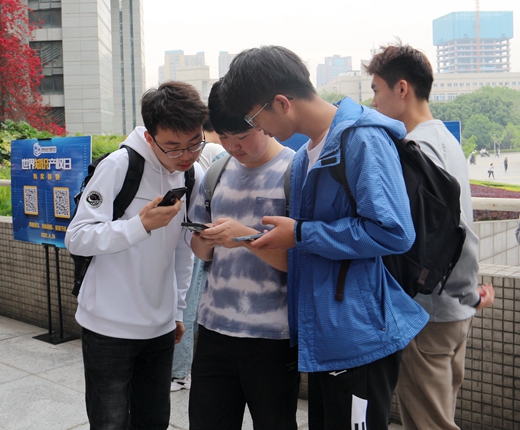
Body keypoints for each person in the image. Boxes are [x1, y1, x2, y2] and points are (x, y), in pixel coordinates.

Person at [219, 45, 430, 430]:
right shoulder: (304, 156)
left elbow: (395, 231)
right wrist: (282, 239)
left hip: (358, 338)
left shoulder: (361, 139)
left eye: (253, 117)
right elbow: (310, 242)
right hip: (325, 337)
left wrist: (300, 233)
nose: (258, 127)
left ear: (282, 103)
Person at [366, 41, 495, 430]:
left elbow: (420, 238)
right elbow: (459, 228)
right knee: (440, 417)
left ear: (402, 88)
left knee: (429, 424)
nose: (373, 101)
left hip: (428, 313)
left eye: (376, 89)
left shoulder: (414, 150)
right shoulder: (446, 140)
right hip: (456, 308)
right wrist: (469, 294)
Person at [65, 81, 207, 430]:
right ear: (149, 137)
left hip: (160, 328)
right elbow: (77, 238)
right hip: (107, 326)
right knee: (110, 422)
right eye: (173, 147)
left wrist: (177, 311)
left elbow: (182, 251)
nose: (186, 155)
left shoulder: (192, 175)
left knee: (154, 420)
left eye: (195, 143)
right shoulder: (120, 166)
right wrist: (139, 225)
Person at [188, 79, 299, 430]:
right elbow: (201, 252)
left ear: (262, 121)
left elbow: (302, 264)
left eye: (242, 136)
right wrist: (205, 238)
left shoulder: (295, 171)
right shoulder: (216, 172)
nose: (233, 146)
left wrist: (245, 238)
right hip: (213, 330)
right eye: (223, 137)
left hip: (273, 338)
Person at [170, 118, 226, 392]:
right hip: (202, 239)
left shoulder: (213, 152)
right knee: (188, 308)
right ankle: (180, 372)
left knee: (187, 308)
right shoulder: (217, 152)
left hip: (195, 240)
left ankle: (180, 373)